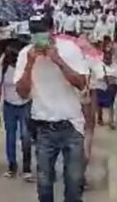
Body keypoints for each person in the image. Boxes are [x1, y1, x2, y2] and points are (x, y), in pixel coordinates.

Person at [14, 14, 89, 202]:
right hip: (43, 126)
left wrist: (58, 61)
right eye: (34, 33)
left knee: (74, 183)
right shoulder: (25, 54)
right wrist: (30, 64)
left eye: (42, 31)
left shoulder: (70, 49)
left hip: (71, 124)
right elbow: (22, 93)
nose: (38, 36)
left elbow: (81, 83)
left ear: (51, 30)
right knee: (44, 184)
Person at [0, 41, 33, 181]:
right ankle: (12, 165)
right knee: (10, 136)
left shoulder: (27, 68)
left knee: (26, 136)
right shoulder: (3, 69)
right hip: (9, 106)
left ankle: (27, 168)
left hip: (25, 105)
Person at [95, 37, 117, 129]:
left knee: (111, 104)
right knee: (99, 104)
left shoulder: (115, 66)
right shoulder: (99, 65)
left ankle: (111, 121)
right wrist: (108, 77)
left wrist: (110, 78)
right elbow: (99, 76)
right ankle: (100, 118)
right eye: (106, 57)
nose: (108, 59)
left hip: (111, 88)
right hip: (100, 87)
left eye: (109, 57)